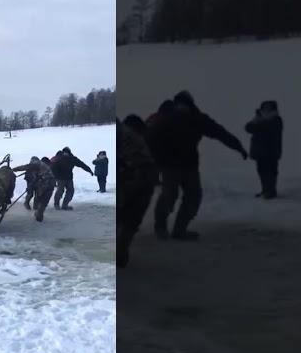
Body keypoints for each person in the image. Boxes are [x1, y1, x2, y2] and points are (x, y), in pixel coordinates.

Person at [147, 90, 248, 240]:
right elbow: (150, 140)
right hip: (169, 165)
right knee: (169, 196)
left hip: (189, 166)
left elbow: (219, 132)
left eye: (185, 105)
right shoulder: (165, 119)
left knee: (193, 197)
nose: (182, 108)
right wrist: (152, 162)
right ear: (176, 105)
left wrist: (238, 146)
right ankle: (160, 227)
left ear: (190, 105)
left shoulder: (197, 118)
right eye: (180, 105)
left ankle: (179, 230)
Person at [116, 120, 158, 268]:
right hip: (144, 177)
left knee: (123, 216)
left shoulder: (120, 134)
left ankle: (119, 251)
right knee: (131, 219)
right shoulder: (131, 135)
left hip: (133, 176)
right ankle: (120, 251)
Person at [245, 101, 283, 199]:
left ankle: (270, 192)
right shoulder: (260, 119)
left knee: (270, 172)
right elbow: (248, 127)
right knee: (261, 171)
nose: (266, 109)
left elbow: (261, 128)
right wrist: (257, 120)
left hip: (271, 152)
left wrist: (258, 121)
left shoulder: (276, 120)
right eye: (265, 107)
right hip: (260, 152)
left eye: (268, 107)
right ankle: (265, 190)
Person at [13, 157, 56, 222]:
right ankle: (39, 213)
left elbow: (26, 166)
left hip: (45, 184)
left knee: (40, 197)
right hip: (50, 184)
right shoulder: (45, 166)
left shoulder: (37, 164)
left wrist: (15, 169)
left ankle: (38, 212)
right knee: (44, 201)